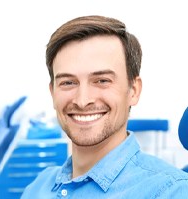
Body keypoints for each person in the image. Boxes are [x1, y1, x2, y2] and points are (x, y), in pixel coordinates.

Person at [21, 15, 188, 198]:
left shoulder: (171, 191)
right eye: (68, 83)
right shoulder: (37, 188)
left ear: (133, 90)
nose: (82, 101)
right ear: (53, 93)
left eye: (102, 80)